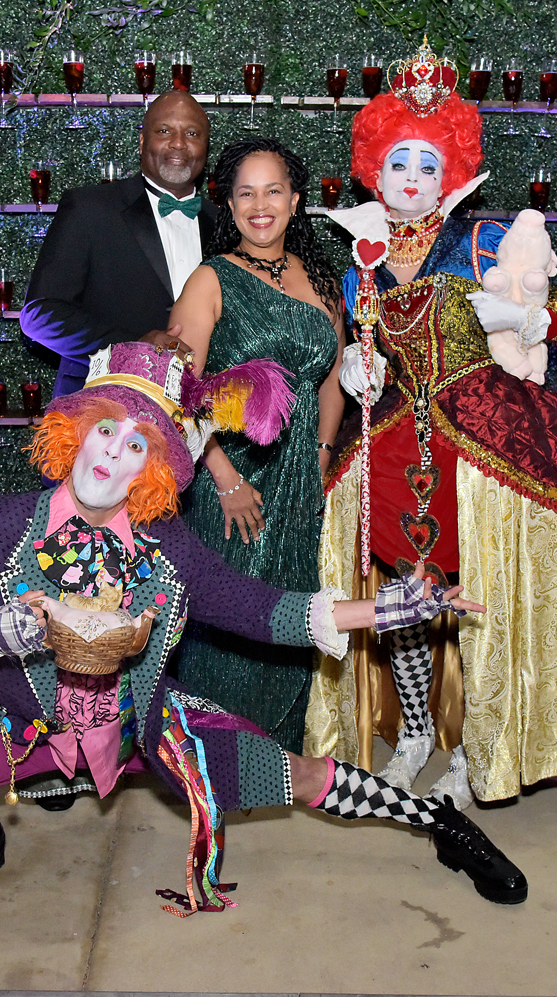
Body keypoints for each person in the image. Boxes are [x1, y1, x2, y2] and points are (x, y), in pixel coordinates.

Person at [0, 341, 526, 917]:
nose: (112, 451)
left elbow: (262, 608)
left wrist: (385, 610)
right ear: (77, 431)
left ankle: (442, 823)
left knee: (299, 775)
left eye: (136, 444)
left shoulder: (165, 547)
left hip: (142, 725)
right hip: (12, 718)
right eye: (105, 428)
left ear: (151, 469)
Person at [305, 41, 557, 810]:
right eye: (398, 161)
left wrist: (535, 318)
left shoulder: (481, 241)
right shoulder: (358, 260)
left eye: (427, 163)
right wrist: (356, 368)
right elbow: (355, 348)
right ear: (375, 172)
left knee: (481, 595)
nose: (411, 177)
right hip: (392, 446)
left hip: (479, 448)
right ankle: (412, 733)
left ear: (450, 174)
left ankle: (477, 747)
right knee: (404, 597)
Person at [166, 138, 345, 751]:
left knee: (290, 611)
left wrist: (321, 457)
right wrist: (224, 478)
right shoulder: (210, 279)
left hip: (300, 481)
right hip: (231, 476)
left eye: (273, 191)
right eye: (246, 193)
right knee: (229, 617)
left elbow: (331, 383)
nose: (260, 205)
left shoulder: (322, 280)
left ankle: (277, 756)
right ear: (229, 205)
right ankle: (211, 754)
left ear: (295, 202)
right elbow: (176, 390)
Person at [21, 91, 215, 397]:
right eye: (164, 131)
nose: (178, 143)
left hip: (201, 413)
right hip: (100, 411)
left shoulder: (224, 223)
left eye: (192, 133)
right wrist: (132, 347)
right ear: (142, 141)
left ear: (206, 146)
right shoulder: (89, 208)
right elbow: (40, 315)